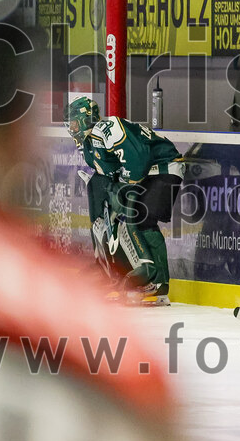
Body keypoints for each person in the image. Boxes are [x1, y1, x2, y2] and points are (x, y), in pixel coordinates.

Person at [65, 97, 181, 305]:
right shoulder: (89, 145)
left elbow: (138, 159)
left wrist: (126, 188)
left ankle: (158, 284)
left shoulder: (108, 127)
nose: (71, 128)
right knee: (117, 222)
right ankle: (116, 273)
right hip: (145, 174)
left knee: (143, 220)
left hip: (164, 167)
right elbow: (109, 173)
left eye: (74, 122)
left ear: (86, 119)